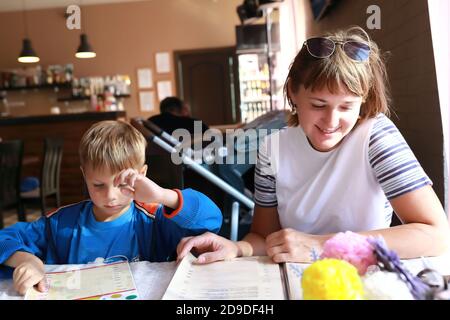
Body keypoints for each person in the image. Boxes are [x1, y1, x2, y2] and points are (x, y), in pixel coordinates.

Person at [176, 26, 450, 265]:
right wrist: (237, 247)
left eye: (346, 106)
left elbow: (435, 235)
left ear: (364, 100)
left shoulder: (375, 136)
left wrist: (322, 245)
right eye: (318, 105)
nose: (331, 121)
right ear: (294, 92)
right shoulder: (273, 148)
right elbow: (264, 237)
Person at [0, 120, 222, 295]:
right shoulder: (60, 223)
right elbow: (4, 238)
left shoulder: (153, 219)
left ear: (142, 175)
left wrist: (162, 195)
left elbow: (211, 220)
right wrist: (27, 260)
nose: (110, 196)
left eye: (123, 184)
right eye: (98, 185)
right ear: (84, 175)